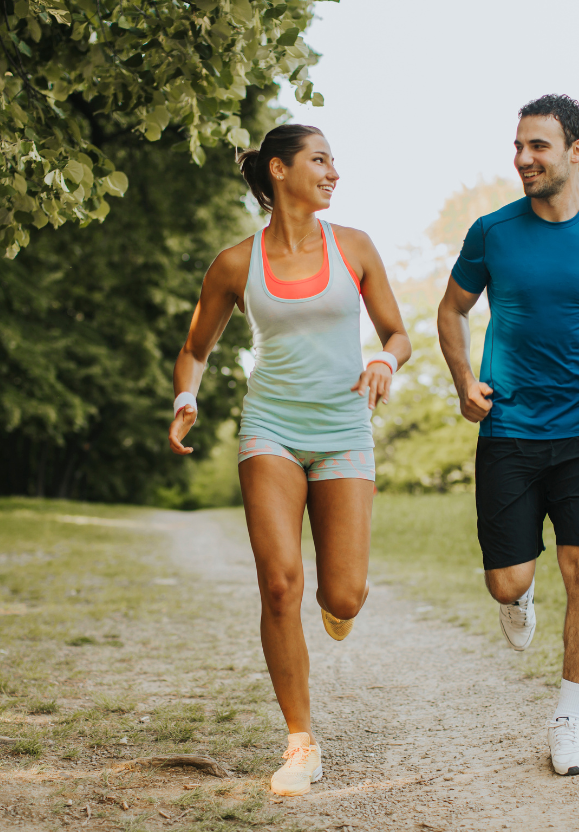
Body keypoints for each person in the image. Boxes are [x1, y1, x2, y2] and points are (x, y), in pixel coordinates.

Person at [168, 124, 411, 797]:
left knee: (343, 594)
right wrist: (186, 394)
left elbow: (397, 332)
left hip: (342, 429)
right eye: (321, 160)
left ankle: (341, 605)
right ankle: (300, 743)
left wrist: (385, 359)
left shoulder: (354, 248)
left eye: (335, 161)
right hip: (270, 427)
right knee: (279, 584)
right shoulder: (234, 264)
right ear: (280, 171)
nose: (334, 172)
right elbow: (196, 345)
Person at [436, 95, 579, 776]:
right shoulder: (492, 232)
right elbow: (452, 311)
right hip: (508, 427)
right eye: (517, 146)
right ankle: (520, 594)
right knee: (507, 581)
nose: (523, 159)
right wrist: (462, 381)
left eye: (537, 146)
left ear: (577, 150)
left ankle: (568, 722)